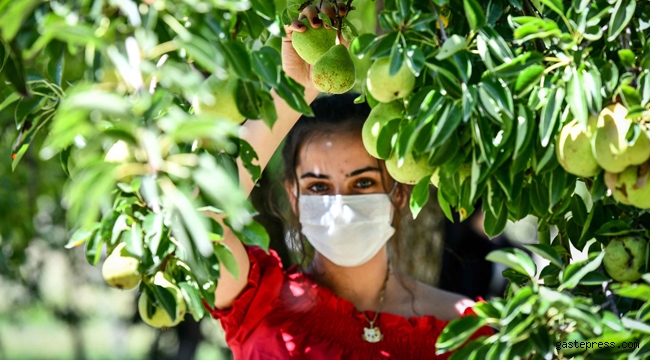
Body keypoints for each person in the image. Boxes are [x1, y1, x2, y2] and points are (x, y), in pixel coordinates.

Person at [203, 5, 493, 359]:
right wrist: (291, 93)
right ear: (293, 195)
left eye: (363, 183)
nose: (339, 203)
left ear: (399, 191)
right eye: (318, 186)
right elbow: (200, 217)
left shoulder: (464, 328)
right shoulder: (259, 303)